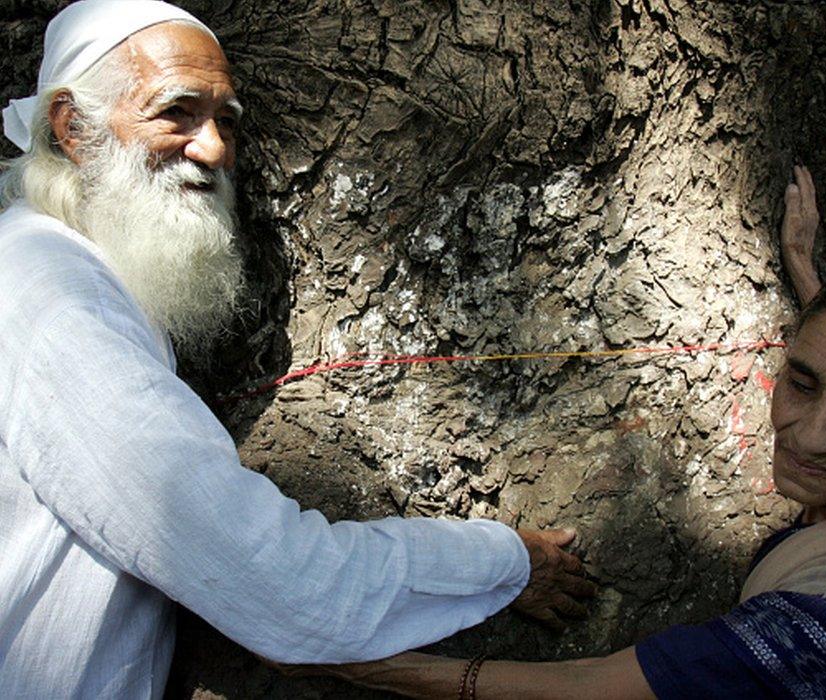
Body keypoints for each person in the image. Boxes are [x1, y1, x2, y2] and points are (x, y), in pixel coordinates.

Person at [0, 2, 594, 697]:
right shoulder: (46, 285)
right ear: (72, 128)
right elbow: (273, 577)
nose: (214, 148)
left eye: (225, 119)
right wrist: (499, 560)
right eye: (176, 112)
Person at [275, 166, 826, 698]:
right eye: (798, 380)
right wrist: (805, 270)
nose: (809, 435)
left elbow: (594, 690)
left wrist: (378, 664)